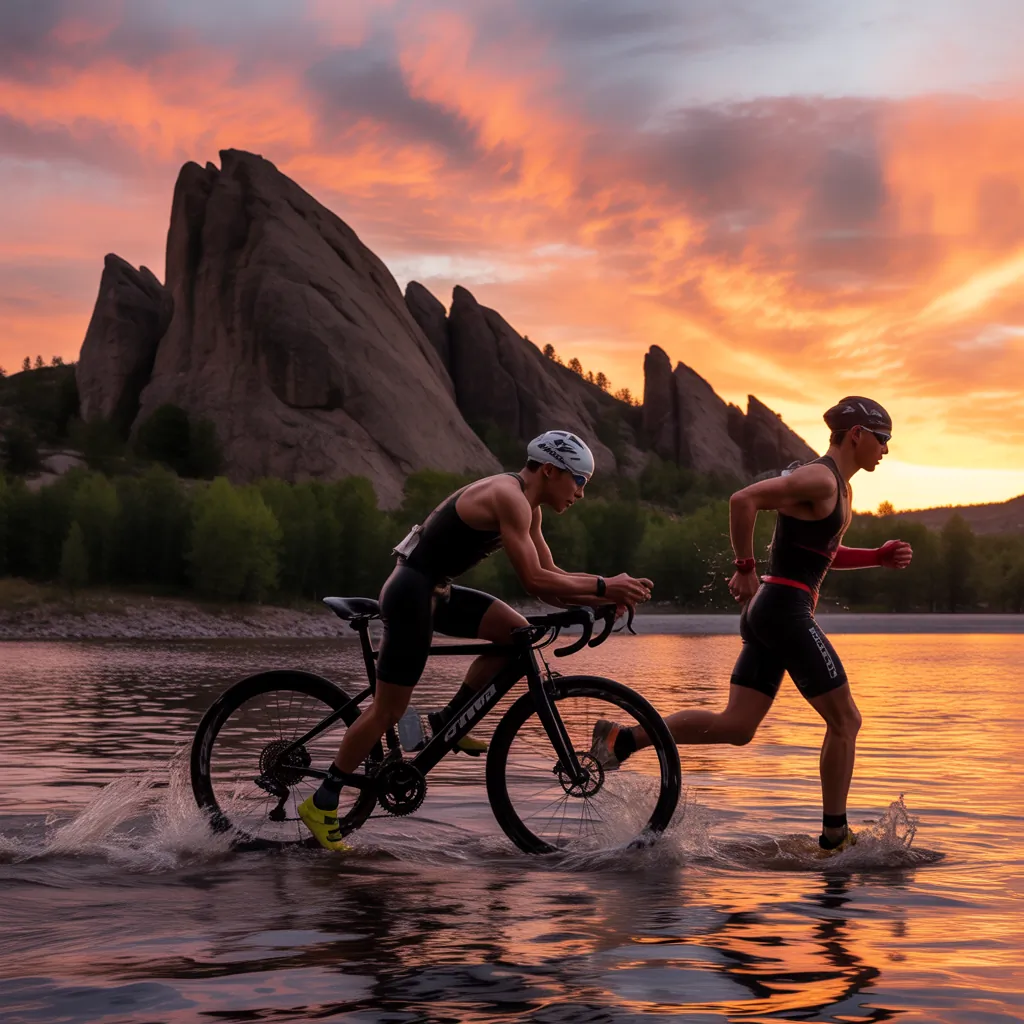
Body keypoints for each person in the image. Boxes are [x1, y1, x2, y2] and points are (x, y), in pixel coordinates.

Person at [299, 430, 654, 850]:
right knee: (387, 710)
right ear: (549, 470)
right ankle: (323, 800)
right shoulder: (508, 496)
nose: (580, 493)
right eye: (579, 480)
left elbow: (551, 581)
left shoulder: (528, 508)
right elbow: (534, 579)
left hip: (436, 591)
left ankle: (447, 720)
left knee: (518, 634)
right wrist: (604, 585)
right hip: (411, 594)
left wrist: (600, 601)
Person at [591, 397, 913, 853]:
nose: (886, 449)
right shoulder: (821, 478)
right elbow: (744, 499)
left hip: (772, 611)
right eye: (882, 438)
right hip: (783, 610)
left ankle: (622, 740)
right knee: (846, 720)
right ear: (857, 434)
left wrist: (876, 557)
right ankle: (835, 836)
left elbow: (825, 554)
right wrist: (745, 565)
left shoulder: (838, 488)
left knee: (738, 727)